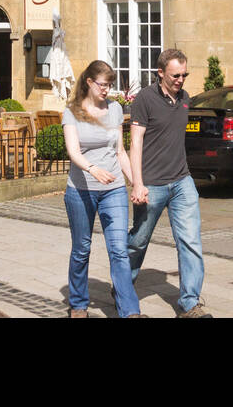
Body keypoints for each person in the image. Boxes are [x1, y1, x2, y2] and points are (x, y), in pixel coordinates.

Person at [127, 48, 209, 318]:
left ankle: (189, 303)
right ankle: (123, 287)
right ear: (160, 73)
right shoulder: (144, 99)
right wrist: (137, 184)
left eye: (184, 74)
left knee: (190, 242)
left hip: (182, 181)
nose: (181, 80)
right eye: (176, 75)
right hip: (152, 184)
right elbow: (135, 143)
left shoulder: (184, 98)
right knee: (138, 241)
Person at [61, 60, 142, 318]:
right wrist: (92, 168)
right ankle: (78, 304)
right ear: (89, 82)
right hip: (80, 190)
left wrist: (135, 182)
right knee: (82, 248)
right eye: (102, 85)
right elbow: (73, 151)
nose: (106, 90)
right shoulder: (72, 111)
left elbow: (119, 151)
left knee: (118, 250)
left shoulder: (116, 109)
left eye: (109, 85)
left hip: (114, 189)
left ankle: (129, 311)